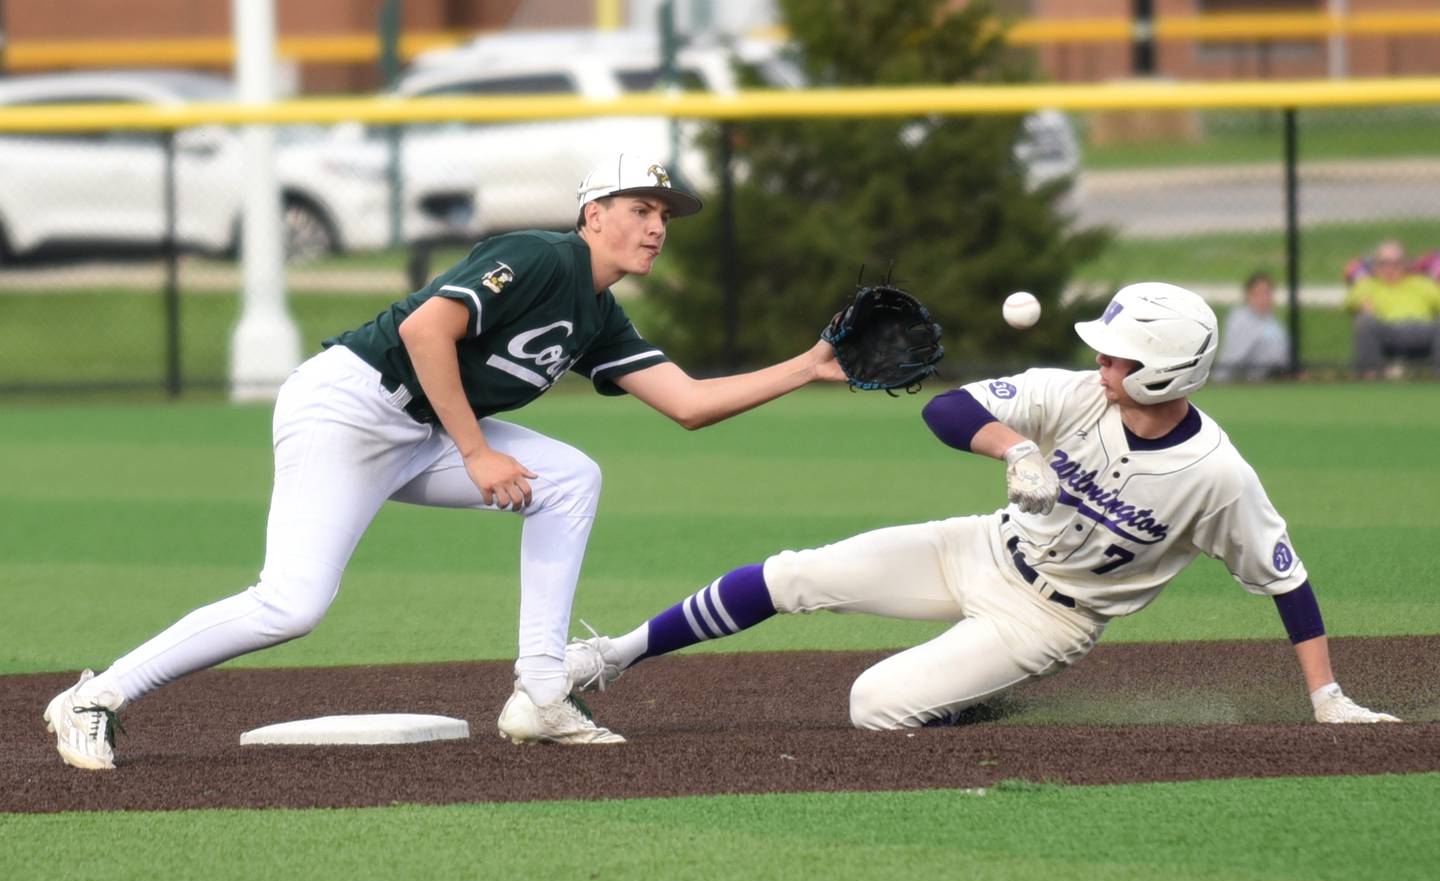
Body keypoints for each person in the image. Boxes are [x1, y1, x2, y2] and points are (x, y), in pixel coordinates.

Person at [43, 153, 849, 768]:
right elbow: (428, 331)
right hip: (348, 408)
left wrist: (807, 366)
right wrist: (477, 451)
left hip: (419, 427)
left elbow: (689, 404)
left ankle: (541, 690)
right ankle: (94, 696)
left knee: (570, 477)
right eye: (641, 208)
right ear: (593, 214)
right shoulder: (541, 257)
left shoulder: (600, 314)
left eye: (665, 214)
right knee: (291, 604)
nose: (657, 226)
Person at [565, 282, 1400, 729]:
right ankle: (610, 657)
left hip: (1046, 622)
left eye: (1118, 357)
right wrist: (1017, 446)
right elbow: (946, 409)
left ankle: (968, 699)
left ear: (1164, 374)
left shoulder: (1217, 477)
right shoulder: (1076, 395)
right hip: (978, 546)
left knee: (875, 706)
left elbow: (1287, 580)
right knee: (792, 575)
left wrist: (1326, 698)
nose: (1102, 363)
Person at [1343, 240, 1440, 378]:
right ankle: (1370, 376)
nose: (1390, 268)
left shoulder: (1422, 283)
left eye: (1396, 263)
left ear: (1406, 264)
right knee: (1364, 322)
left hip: (1422, 330)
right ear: (1376, 265)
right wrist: (1362, 306)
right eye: (1384, 263)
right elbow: (1350, 302)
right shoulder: (1367, 285)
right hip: (1388, 331)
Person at [1214, 270, 1290, 381]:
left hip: (1277, 377)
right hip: (1247, 381)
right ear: (1248, 295)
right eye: (1259, 294)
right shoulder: (1240, 320)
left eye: (1268, 293)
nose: (1264, 298)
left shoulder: (1272, 320)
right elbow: (1234, 360)